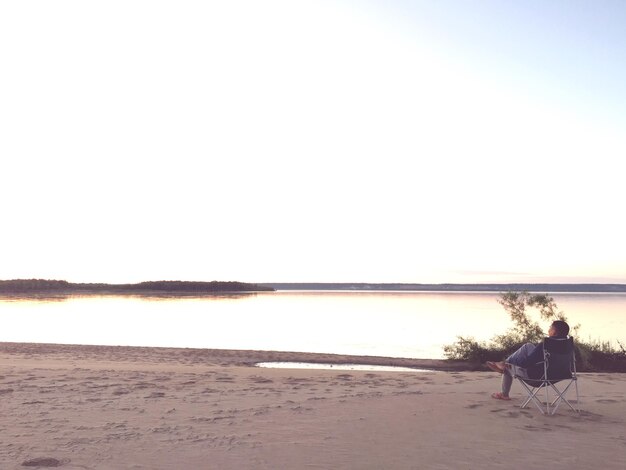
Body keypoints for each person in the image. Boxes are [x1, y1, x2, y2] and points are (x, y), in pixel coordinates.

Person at [487, 320, 570, 400]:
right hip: (559, 376)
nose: (548, 330)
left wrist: (513, 365)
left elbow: (527, 363)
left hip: (537, 378)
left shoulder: (546, 345)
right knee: (528, 346)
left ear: (555, 332)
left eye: (550, 328)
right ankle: (505, 364)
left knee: (507, 368)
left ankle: (504, 392)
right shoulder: (569, 346)